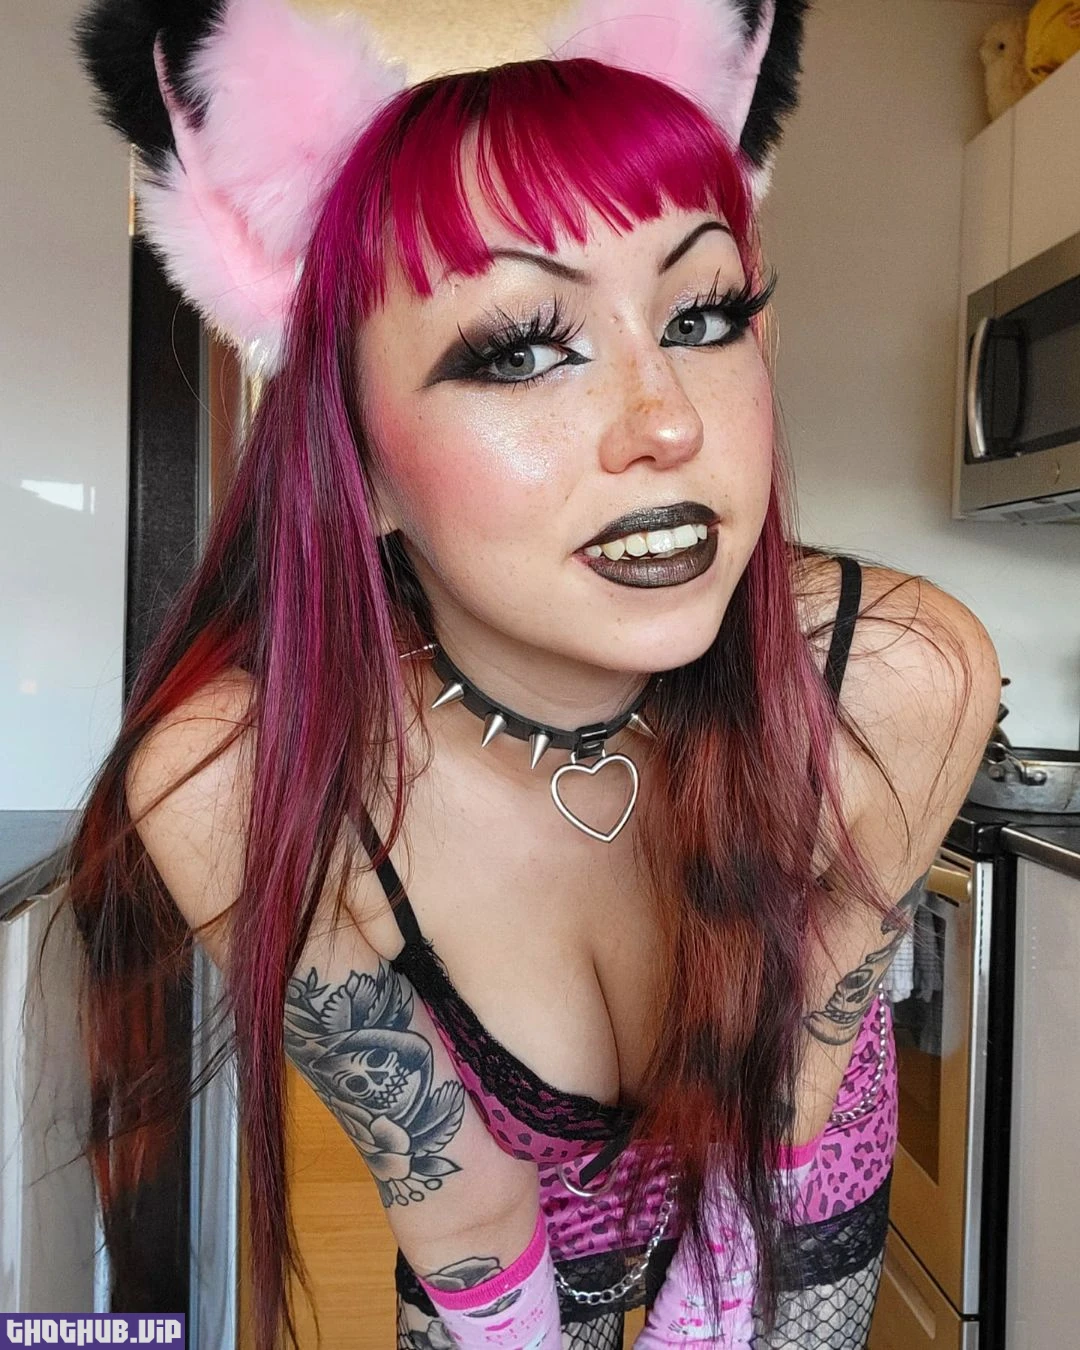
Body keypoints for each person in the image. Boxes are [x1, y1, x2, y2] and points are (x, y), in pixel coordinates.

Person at [58, 1, 1000, 1347]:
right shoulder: (239, 781)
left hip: (782, 1175)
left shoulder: (894, 681)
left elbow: (783, 1103)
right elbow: (464, 1208)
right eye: (521, 348)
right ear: (355, 462)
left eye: (702, 314)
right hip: (494, 1241)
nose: (667, 422)